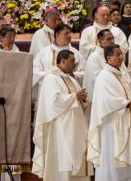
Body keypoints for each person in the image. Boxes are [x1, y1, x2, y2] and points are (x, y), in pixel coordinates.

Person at [32, 50, 90, 181]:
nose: (74, 65)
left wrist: (83, 101)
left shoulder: (71, 79)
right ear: (62, 61)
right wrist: (75, 96)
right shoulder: (51, 79)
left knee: (76, 158)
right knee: (63, 160)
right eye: (71, 62)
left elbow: (74, 100)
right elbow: (54, 103)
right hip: (60, 128)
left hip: (75, 126)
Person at [88, 44, 131, 180]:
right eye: (117, 54)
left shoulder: (121, 74)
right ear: (108, 57)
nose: (121, 57)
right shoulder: (104, 76)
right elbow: (106, 101)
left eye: (121, 54)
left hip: (125, 120)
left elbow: (128, 93)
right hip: (111, 125)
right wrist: (128, 104)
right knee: (112, 156)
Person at [34, 24, 84, 89]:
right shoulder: (44, 53)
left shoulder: (76, 53)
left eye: (70, 33)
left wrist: (73, 75)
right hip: (49, 88)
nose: (70, 36)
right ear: (57, 35)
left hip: (69, 89)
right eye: (66, 33)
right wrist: (51, 76)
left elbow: (83, 72)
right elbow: (35, 71)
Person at [84, 29, 129, 97]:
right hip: (104, 94)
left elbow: (125, 73)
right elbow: (96, 80)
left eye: (113, 38)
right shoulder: (94, 57)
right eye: (109, 39)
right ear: (100, 41)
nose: (112, 41)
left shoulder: (117, 55)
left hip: (120, 92)